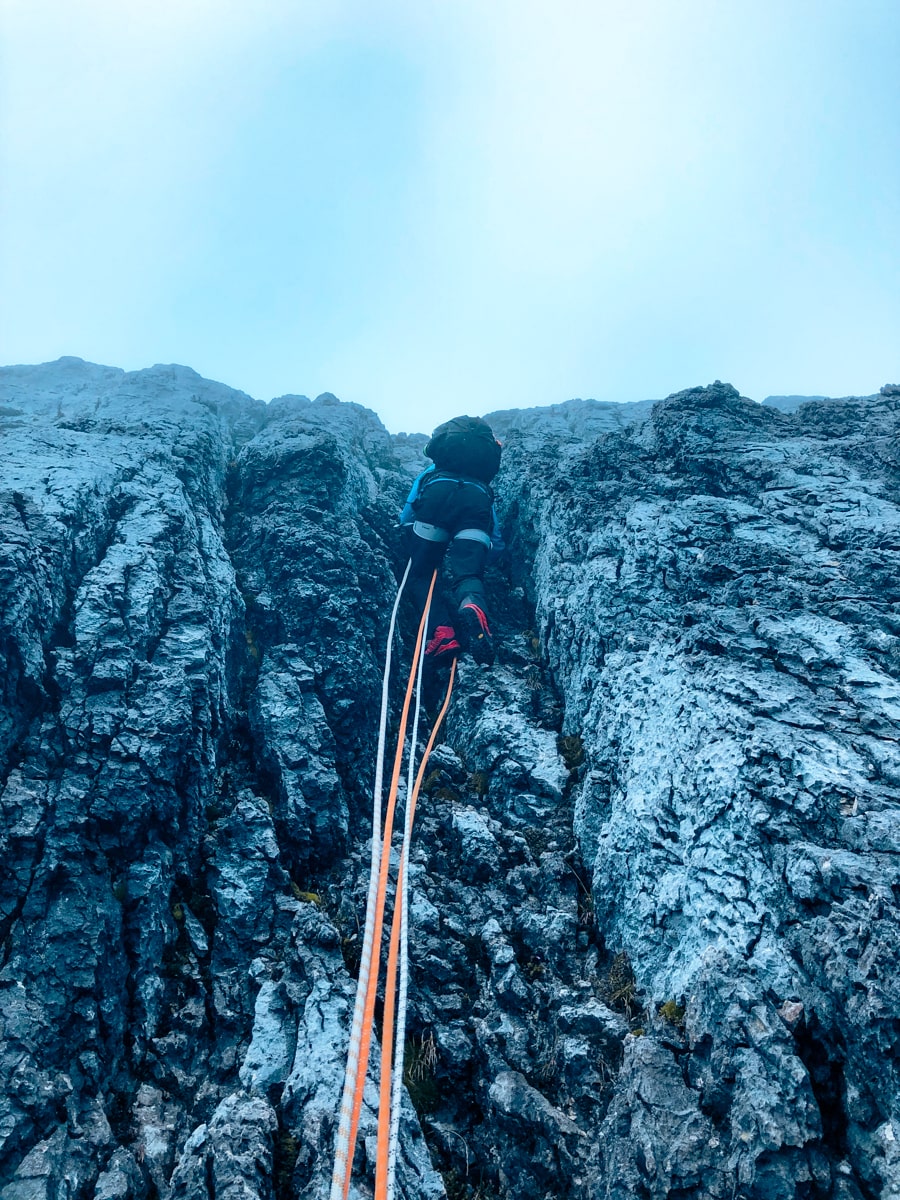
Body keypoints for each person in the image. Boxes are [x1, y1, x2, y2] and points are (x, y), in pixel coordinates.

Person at [399, 416, 504, 666]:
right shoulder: (480, 483)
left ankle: (441, 633)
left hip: (437, 497)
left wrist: (409, 531)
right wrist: (485, 556)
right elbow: (494, 533)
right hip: (475, 504)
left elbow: (409, 511)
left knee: (420, 574)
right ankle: (473, 607)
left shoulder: (432, 472)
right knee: (468, 577)